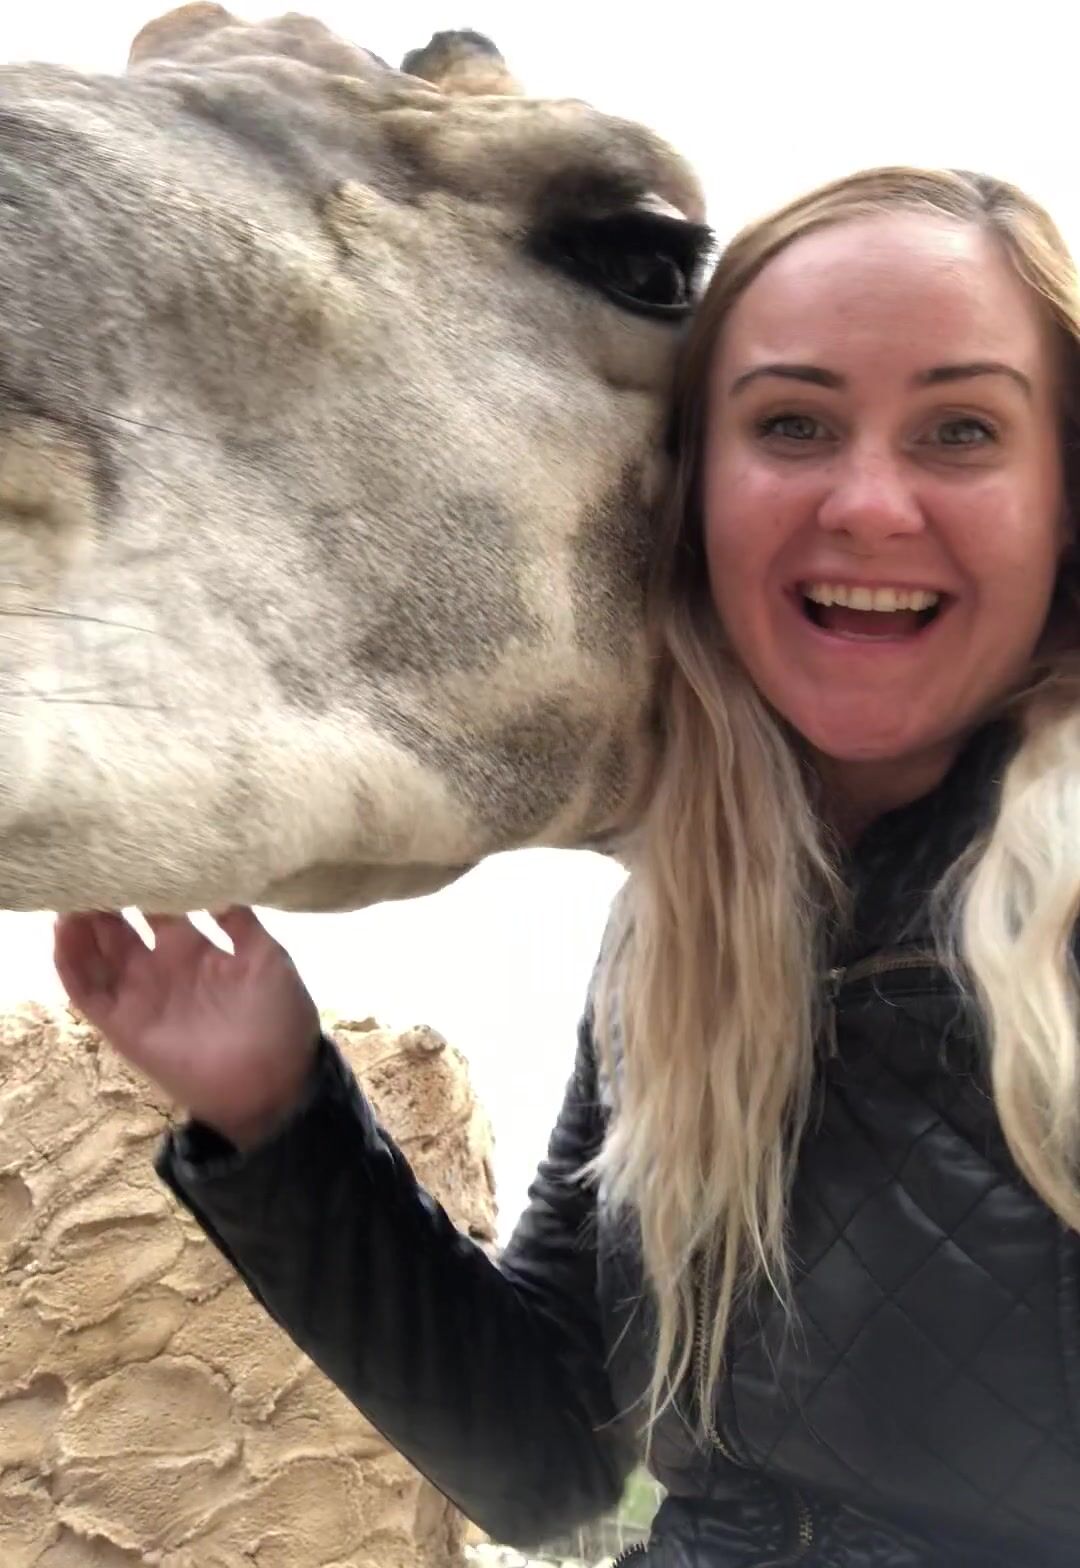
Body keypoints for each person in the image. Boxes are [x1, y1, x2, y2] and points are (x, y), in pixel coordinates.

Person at [53, 165, 1080, 1568]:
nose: (870, 504)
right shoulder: (684, 928)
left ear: (1063, 497)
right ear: (693, 494)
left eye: (962, 430)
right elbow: (551, 1464)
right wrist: (277, 1111)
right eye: (793, 423)